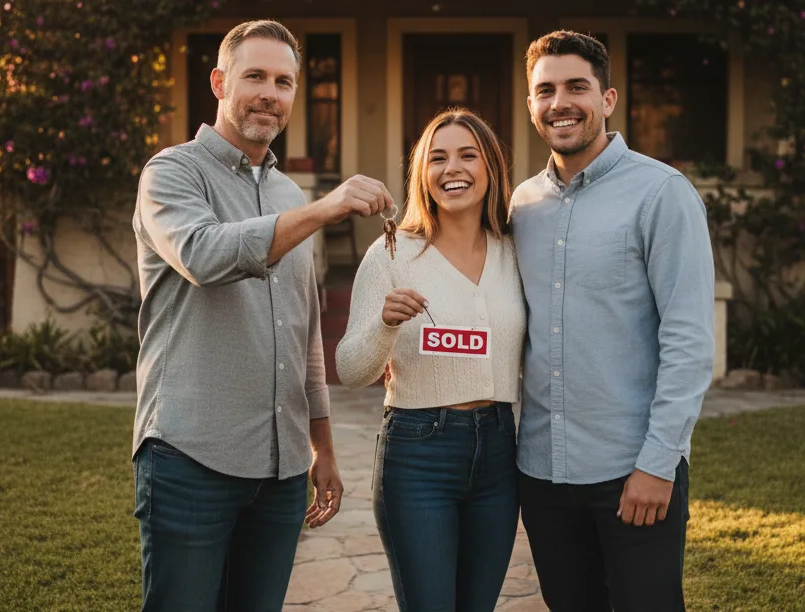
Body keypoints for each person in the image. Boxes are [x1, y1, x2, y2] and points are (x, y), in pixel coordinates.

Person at [130, 20, 393, 611]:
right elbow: (204, 254)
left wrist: (321, 447)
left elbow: (301, 335)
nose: (270, 93)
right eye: (255, 76)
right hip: (190, 456)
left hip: (280, 471)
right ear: (220, 82)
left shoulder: (288, 198)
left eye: (284, 81)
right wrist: (326, 209)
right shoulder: (171, 173)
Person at [510, 31, 716, 611]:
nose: (560, 103)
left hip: (633, 473)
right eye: (544, 90)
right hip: (543, 476)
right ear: (531, 105)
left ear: (608, 99)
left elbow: (689, 342)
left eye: (577, 86)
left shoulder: (662, 194)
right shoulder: (520, 206)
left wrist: (658, 463)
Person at [336, 108, 525, 611]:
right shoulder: (392, 253)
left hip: (501, 454)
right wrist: (385, 324)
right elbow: (351, 370)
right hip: (419, 454)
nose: (452, 169)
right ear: (422, 173)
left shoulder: (515, 251)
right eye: (436, 158)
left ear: (491, 167)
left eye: (468, 155)